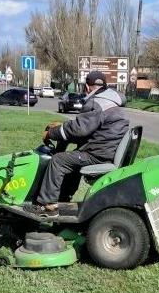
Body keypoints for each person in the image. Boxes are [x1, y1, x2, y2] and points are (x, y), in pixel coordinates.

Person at [33, 70, 128, 214]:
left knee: (58, 160)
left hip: (98, 154)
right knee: (72, 159)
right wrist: (61, 127)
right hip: (106, 150)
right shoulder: (112, 101)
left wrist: (51, 133)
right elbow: (88, 126)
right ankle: (64, 198)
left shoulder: (97, 102)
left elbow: (79, 129)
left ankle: (47, 205)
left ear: (87, 87)